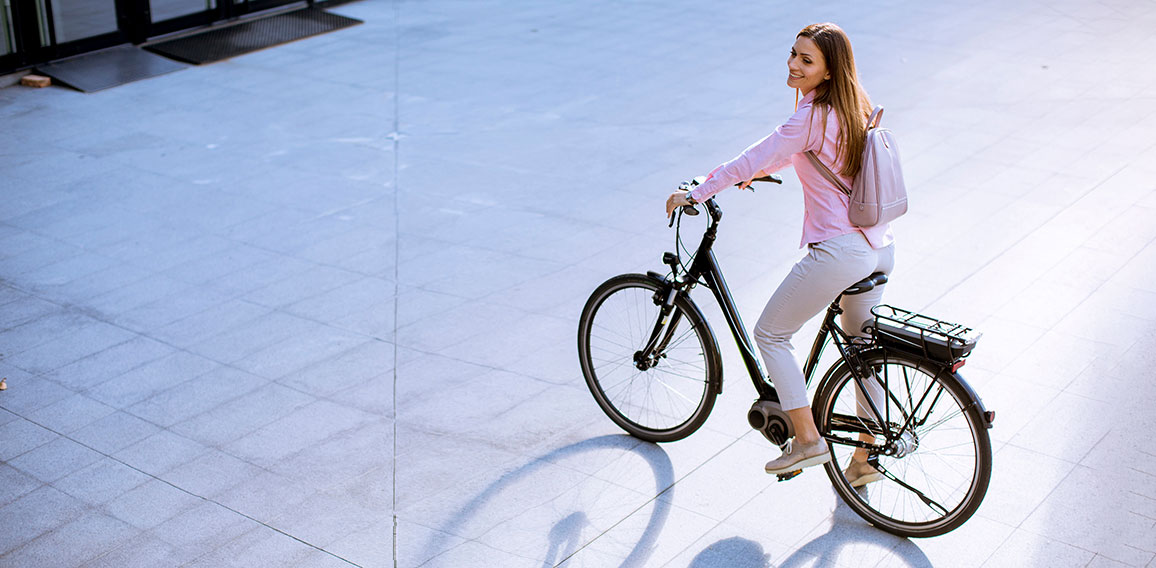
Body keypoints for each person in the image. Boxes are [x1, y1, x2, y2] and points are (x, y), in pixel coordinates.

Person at [664, 22, 894, 483]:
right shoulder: (854, 106)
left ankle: (808, 441)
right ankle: (865, 459)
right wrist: (758, 172)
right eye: (793, 54)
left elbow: (758, 154)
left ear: (829, 71)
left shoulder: (808, 116)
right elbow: (799, 154)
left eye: (806, 60)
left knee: (770, 334)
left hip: (839, 250)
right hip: (878, 246)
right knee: (862, 350)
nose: (793, 64)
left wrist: (699, 192)